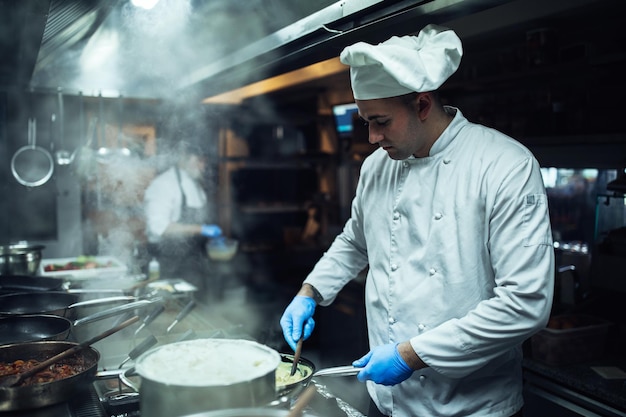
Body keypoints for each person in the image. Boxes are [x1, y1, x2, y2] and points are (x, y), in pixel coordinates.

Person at [280, 24, 554, 417]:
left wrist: (411, 355)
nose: (372, 137)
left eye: (381, 121)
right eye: (365, 122)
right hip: (386, 402)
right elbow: (355, 241)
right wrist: (309, 291)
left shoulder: (505, 165)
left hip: (472, 407)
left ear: (423, 105)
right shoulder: (376, 167)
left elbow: (526, 302)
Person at [144, 140, 222, 299]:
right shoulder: (164, 184)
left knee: (199, 308)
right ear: (184, 158)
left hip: (196, 263)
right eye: (199, 160)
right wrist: (201, 229)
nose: (203, 166)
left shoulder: (196, 186)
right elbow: (159, 227)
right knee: (173, 310)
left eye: (204, 161)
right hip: (170, 265)